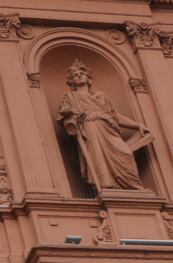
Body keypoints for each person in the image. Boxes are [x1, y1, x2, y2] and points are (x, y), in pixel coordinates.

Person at [57, 60, 150, 190]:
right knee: (97, 156)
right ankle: (106, 185)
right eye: (75, 75)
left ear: (89, 78)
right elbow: (65, 115)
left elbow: (116, 116)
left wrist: (137, 125)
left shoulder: (101, 96)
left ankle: (132, 186)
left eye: (82, 73)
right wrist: (67, 112)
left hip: (109, 128)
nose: (79, 75)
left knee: (125, 153)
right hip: (91, 127)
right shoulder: (71, 96)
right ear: (71, 82)